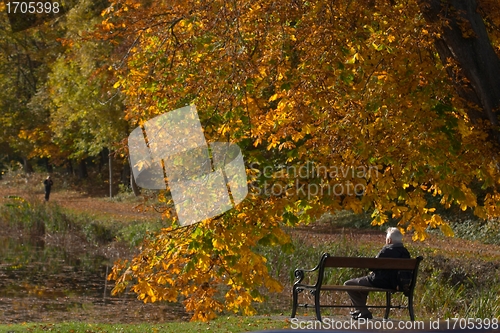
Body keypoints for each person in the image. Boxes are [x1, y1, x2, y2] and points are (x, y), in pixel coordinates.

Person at [344, 227, 411, 320]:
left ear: (389, 240)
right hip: (396, 284)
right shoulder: (405, 252)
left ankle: (363, 311)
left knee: (348, 284)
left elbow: (373, 266)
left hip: (379, 281)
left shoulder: (386, 250)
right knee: (362, 286)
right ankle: (361, 312)